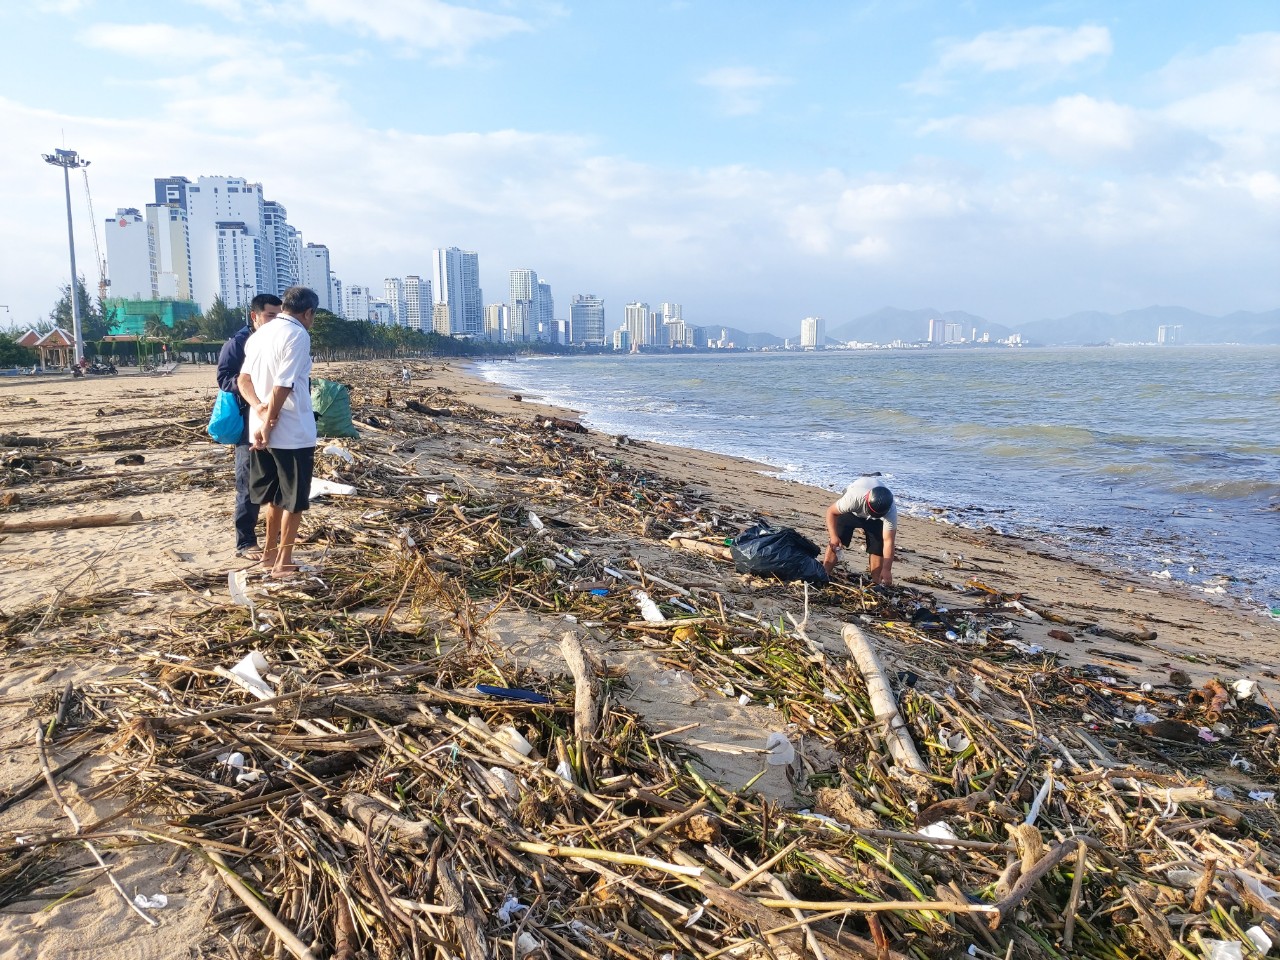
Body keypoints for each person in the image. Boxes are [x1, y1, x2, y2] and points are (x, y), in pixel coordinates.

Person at [237, 286, 318, 577]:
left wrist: (258, 410)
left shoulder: (260, 334)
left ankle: (269, 556)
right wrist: (270, 423)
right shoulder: (297, 335)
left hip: (260, 427)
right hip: (291, 432)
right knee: (292, 500)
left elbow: (243, 379)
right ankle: (283, 562)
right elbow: (283, 385)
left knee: (272, 497)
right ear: (308, 313)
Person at [216, 293, 282, 558]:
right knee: (248, 480)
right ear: (254, 316)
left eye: (280, 315)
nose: (276, 321)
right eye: (270, 316)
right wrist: (253, 392)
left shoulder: (280, 340)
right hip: (248, 419)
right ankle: (245, 541)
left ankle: (274, 535)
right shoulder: (239, 343)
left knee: (277, 478)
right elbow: (224, 378)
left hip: (276, 417)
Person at [822, 475, 897, 585]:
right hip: (852, 512)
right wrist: (833, 536)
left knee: (878, 546)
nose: (871, 516)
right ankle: (824, 573)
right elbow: (831, 512)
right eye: (872, 513)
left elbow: (889, 541)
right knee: (838, 539)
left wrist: (887, 569)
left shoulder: (890, 511)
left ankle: (876, 583)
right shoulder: (853, 498)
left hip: (877, 520)